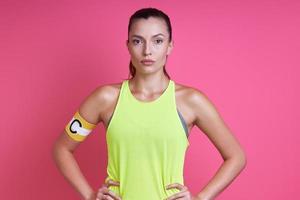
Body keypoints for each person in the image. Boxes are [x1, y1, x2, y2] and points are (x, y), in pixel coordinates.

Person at [52, 7, 247, 200]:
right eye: (138, 41)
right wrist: (88, 195)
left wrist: (201, 198)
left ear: (170, 45)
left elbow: (236, 156)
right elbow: (62, 148)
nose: (147, 51)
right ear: (128, 45)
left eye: (158, 41)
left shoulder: (190, 101)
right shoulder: (105, 98)